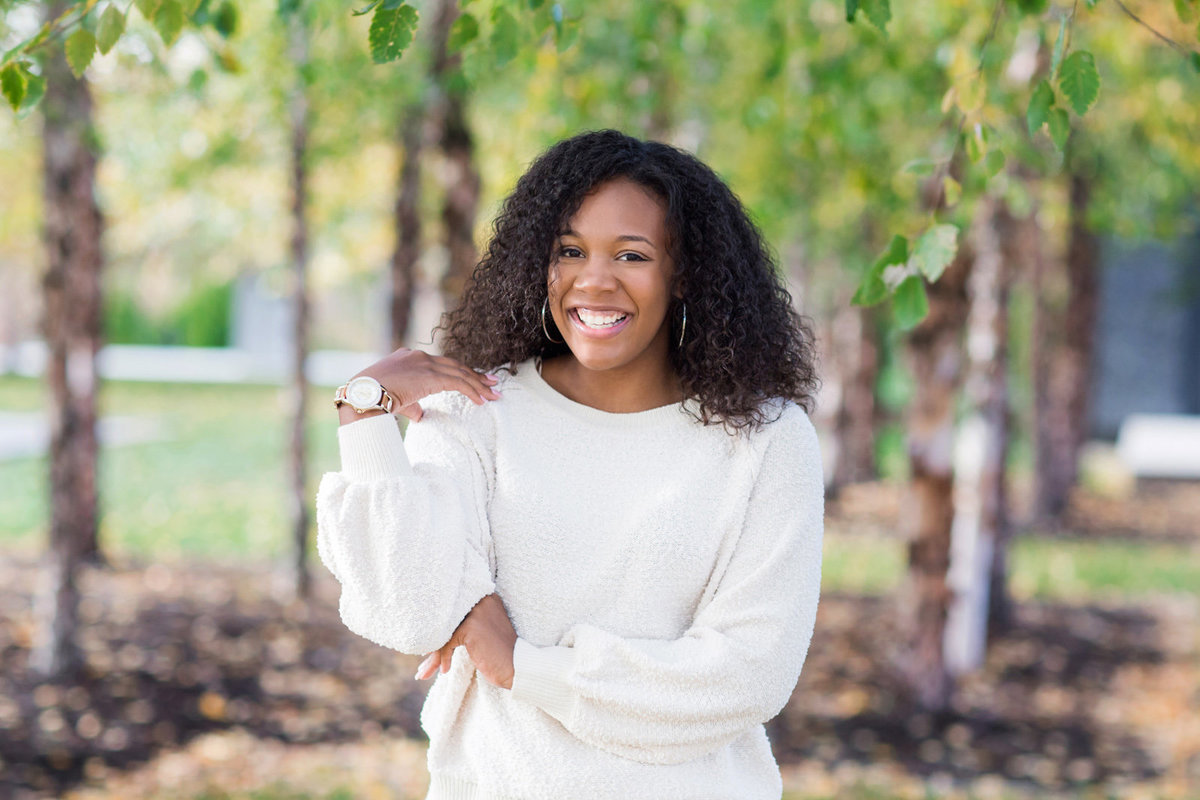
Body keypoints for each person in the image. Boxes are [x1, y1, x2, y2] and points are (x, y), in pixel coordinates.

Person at [315, 129, 824, 800]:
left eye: (632, 255)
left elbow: (749, 673)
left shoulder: (765, 439)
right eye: (570, 250)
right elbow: (408, 610)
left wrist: (525, 667)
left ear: (685, 273)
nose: (594, 280)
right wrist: (365, 413)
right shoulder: (479, 411)